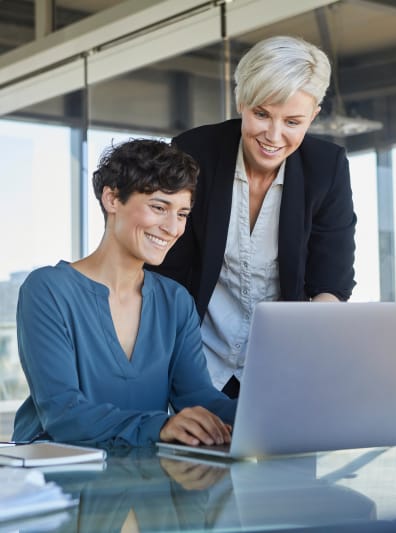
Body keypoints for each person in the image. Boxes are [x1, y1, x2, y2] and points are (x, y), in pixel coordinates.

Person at [149, 36, 356, 398]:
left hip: (281, 368)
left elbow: (332, 282)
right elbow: (166, 273)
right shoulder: (193, 153)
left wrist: (309, 345)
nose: (273, 136)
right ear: (241, 100)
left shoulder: (327, 168)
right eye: (261, 114)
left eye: (293, 121)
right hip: (195, 362)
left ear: (314, 116)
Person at [12, 139, 236, 448]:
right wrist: (161, 426)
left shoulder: (175, 301)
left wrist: (265, 415)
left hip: (141, 484)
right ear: (112, 199)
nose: (173, 228)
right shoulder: (48, 290)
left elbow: (197, 398)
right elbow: (63, 413)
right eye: (159, 207)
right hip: (57, 482)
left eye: (182, 214)